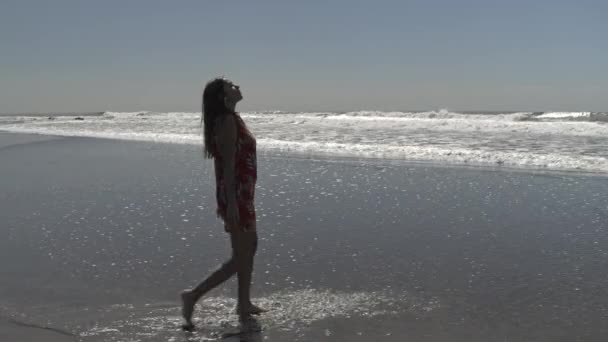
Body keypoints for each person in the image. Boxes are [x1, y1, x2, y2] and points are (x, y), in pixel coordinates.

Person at [180, 78, 264, 330]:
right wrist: (231, 205)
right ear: (222, 95)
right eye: (230, 85)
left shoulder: (232, 118)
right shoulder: (227, 121)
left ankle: (244, 303)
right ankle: (192, 295)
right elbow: (227, 167)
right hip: (236, 194)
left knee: (249, 247)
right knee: (241, 255)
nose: (237, 86)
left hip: (242, 193)